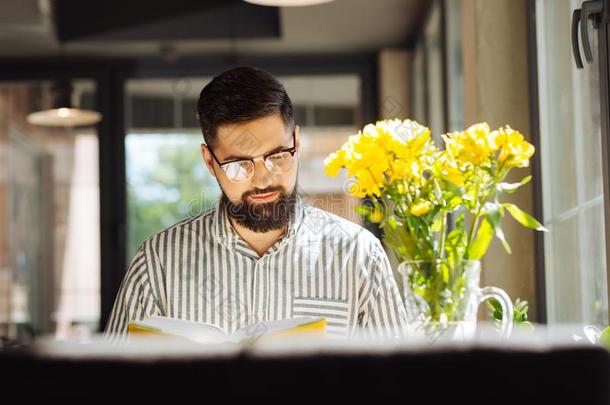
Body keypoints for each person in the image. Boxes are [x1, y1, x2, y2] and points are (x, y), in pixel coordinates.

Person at [104, 66, 407, 343]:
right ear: (210, 161)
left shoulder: (359, 256)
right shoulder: (158, 263)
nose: (263, 179)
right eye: (239, 164)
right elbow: (106, 382)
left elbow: (399, 380)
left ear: (296, 142)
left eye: (277, 156)